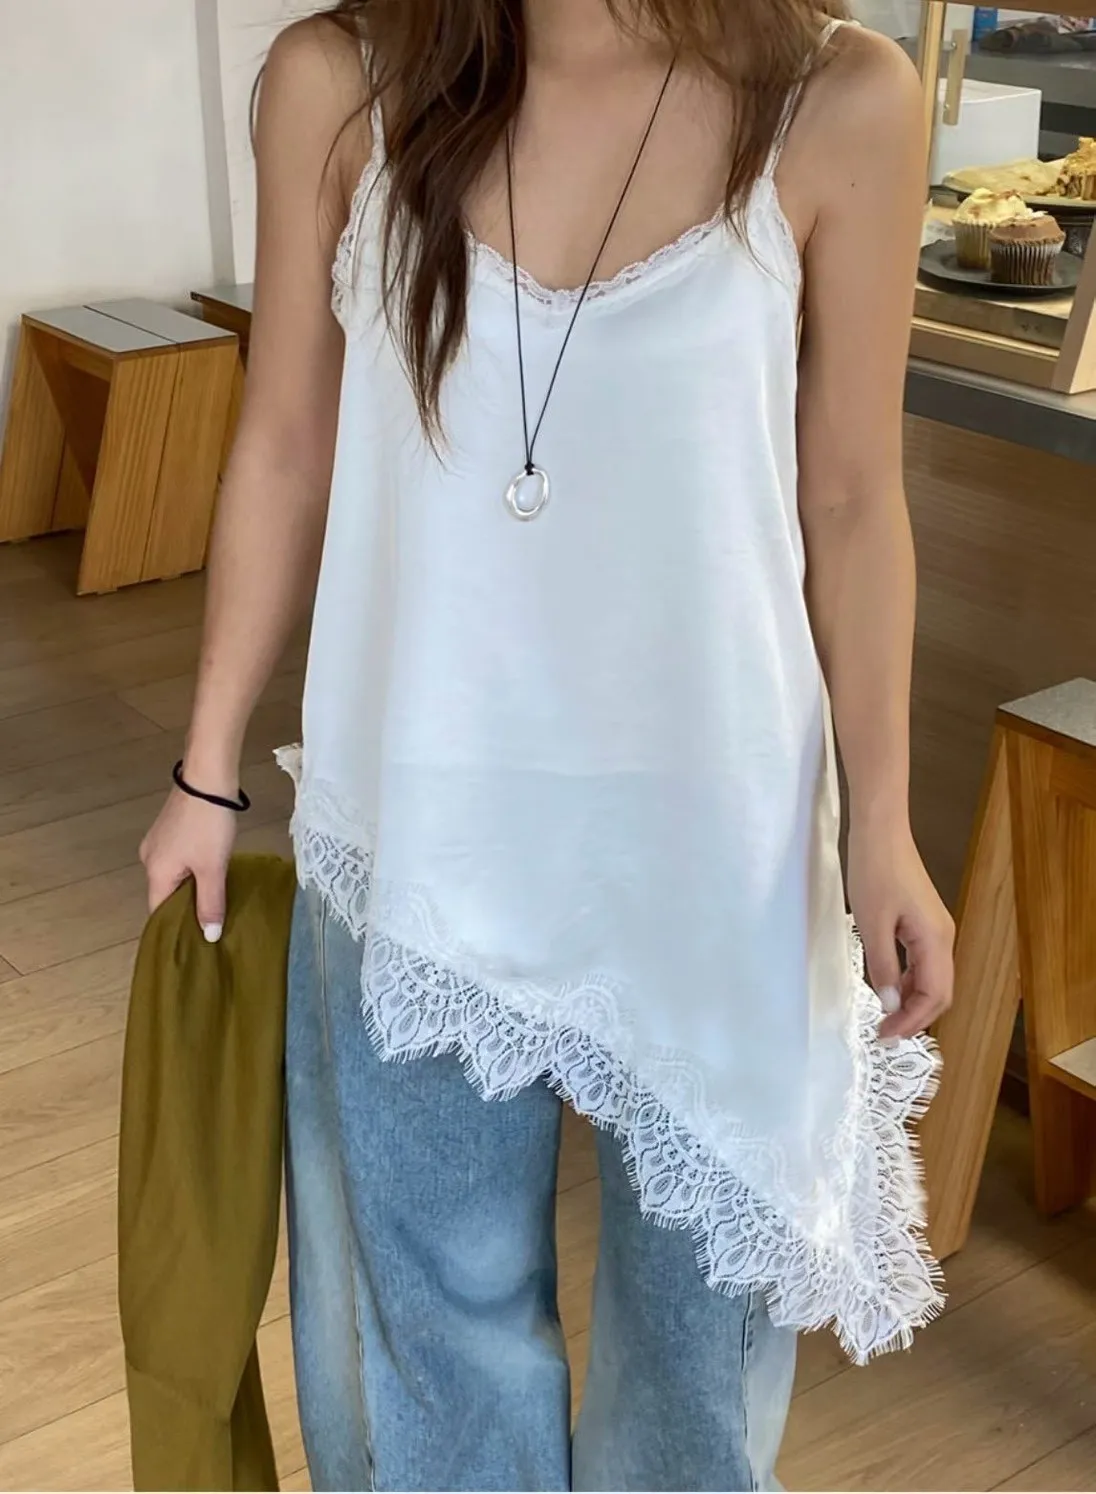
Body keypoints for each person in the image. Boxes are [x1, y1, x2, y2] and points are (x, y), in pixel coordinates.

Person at [141, 1, 955, 1487]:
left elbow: (851, 496)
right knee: (430, 1339)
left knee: (693, 1379)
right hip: (417, 814)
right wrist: (207, 767)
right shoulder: (341, 85)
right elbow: (283, 442)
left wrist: (884, 819)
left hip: (717, 836)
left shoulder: (839, 98)